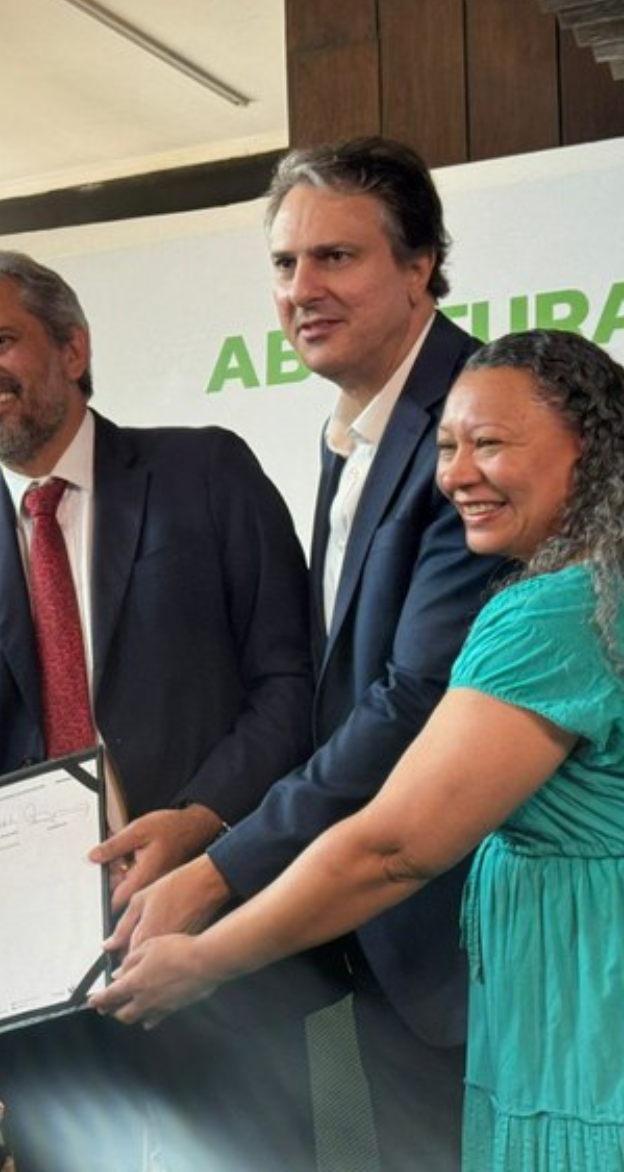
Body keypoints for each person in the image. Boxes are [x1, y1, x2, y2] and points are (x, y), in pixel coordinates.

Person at [99, 328, 624, 1169]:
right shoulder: (616, 595)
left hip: (591, 1041)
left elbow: (391, 850)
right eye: (449, 445)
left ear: (592, 449)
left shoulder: (553, 617)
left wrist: (206, 957)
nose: (456, 475)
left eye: (490, 444)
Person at [114, 136, 506, 1170]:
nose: (301, 290)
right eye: (284, 264)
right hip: (379, 941)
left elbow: (410, 702)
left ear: (420, 264)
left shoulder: (471, 417)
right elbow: (327, 692)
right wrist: (205, 819)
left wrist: (214, 873)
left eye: (336, 257)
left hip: (472, 940)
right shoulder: (356, 425)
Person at [0, 250, 319, 1169]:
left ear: (74, 348)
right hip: (43, 992)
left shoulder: (205, 472)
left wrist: (200, 825)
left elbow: (291, 686)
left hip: (220, 934)